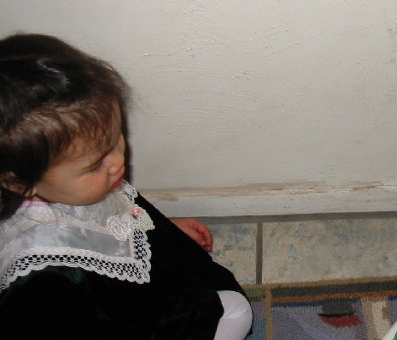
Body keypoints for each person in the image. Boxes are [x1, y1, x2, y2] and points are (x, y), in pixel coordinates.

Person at [0, 33, 253, 339]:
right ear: (20, 183)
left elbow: (113, 213)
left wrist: (161, 232)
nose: (118, 160)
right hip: (128, 314)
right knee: (236, 311)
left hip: (141, 281)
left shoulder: (71, 184)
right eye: (95, 164)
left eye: (115, 139)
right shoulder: (41, 284)